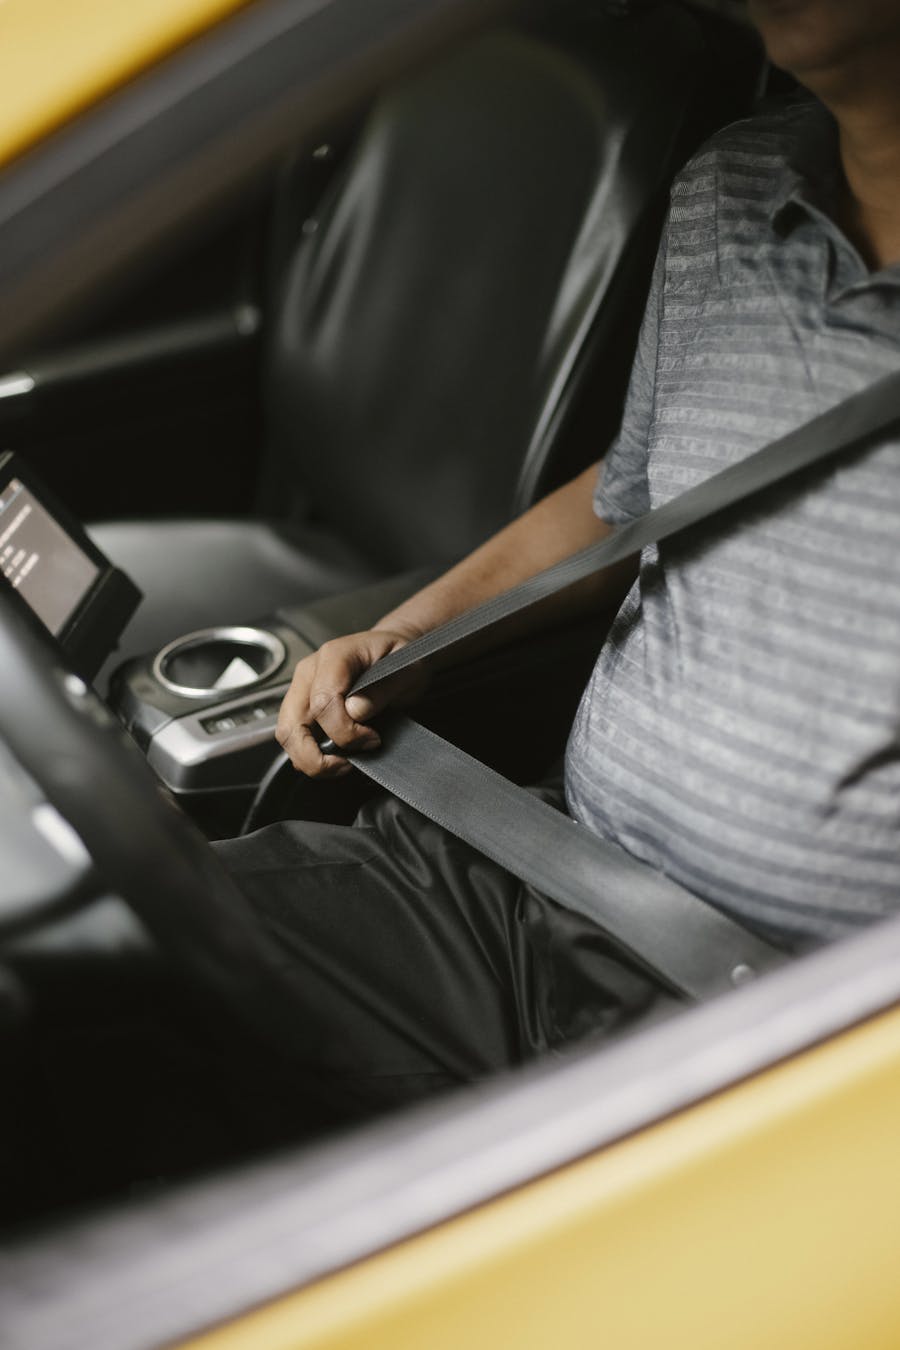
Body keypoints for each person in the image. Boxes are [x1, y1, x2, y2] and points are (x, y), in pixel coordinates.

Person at [216, 0, 900, 1122]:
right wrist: (415, 631)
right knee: (113, 964)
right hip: (534, 878)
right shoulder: (731, 186)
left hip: (782, 1036)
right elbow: (629, 492)